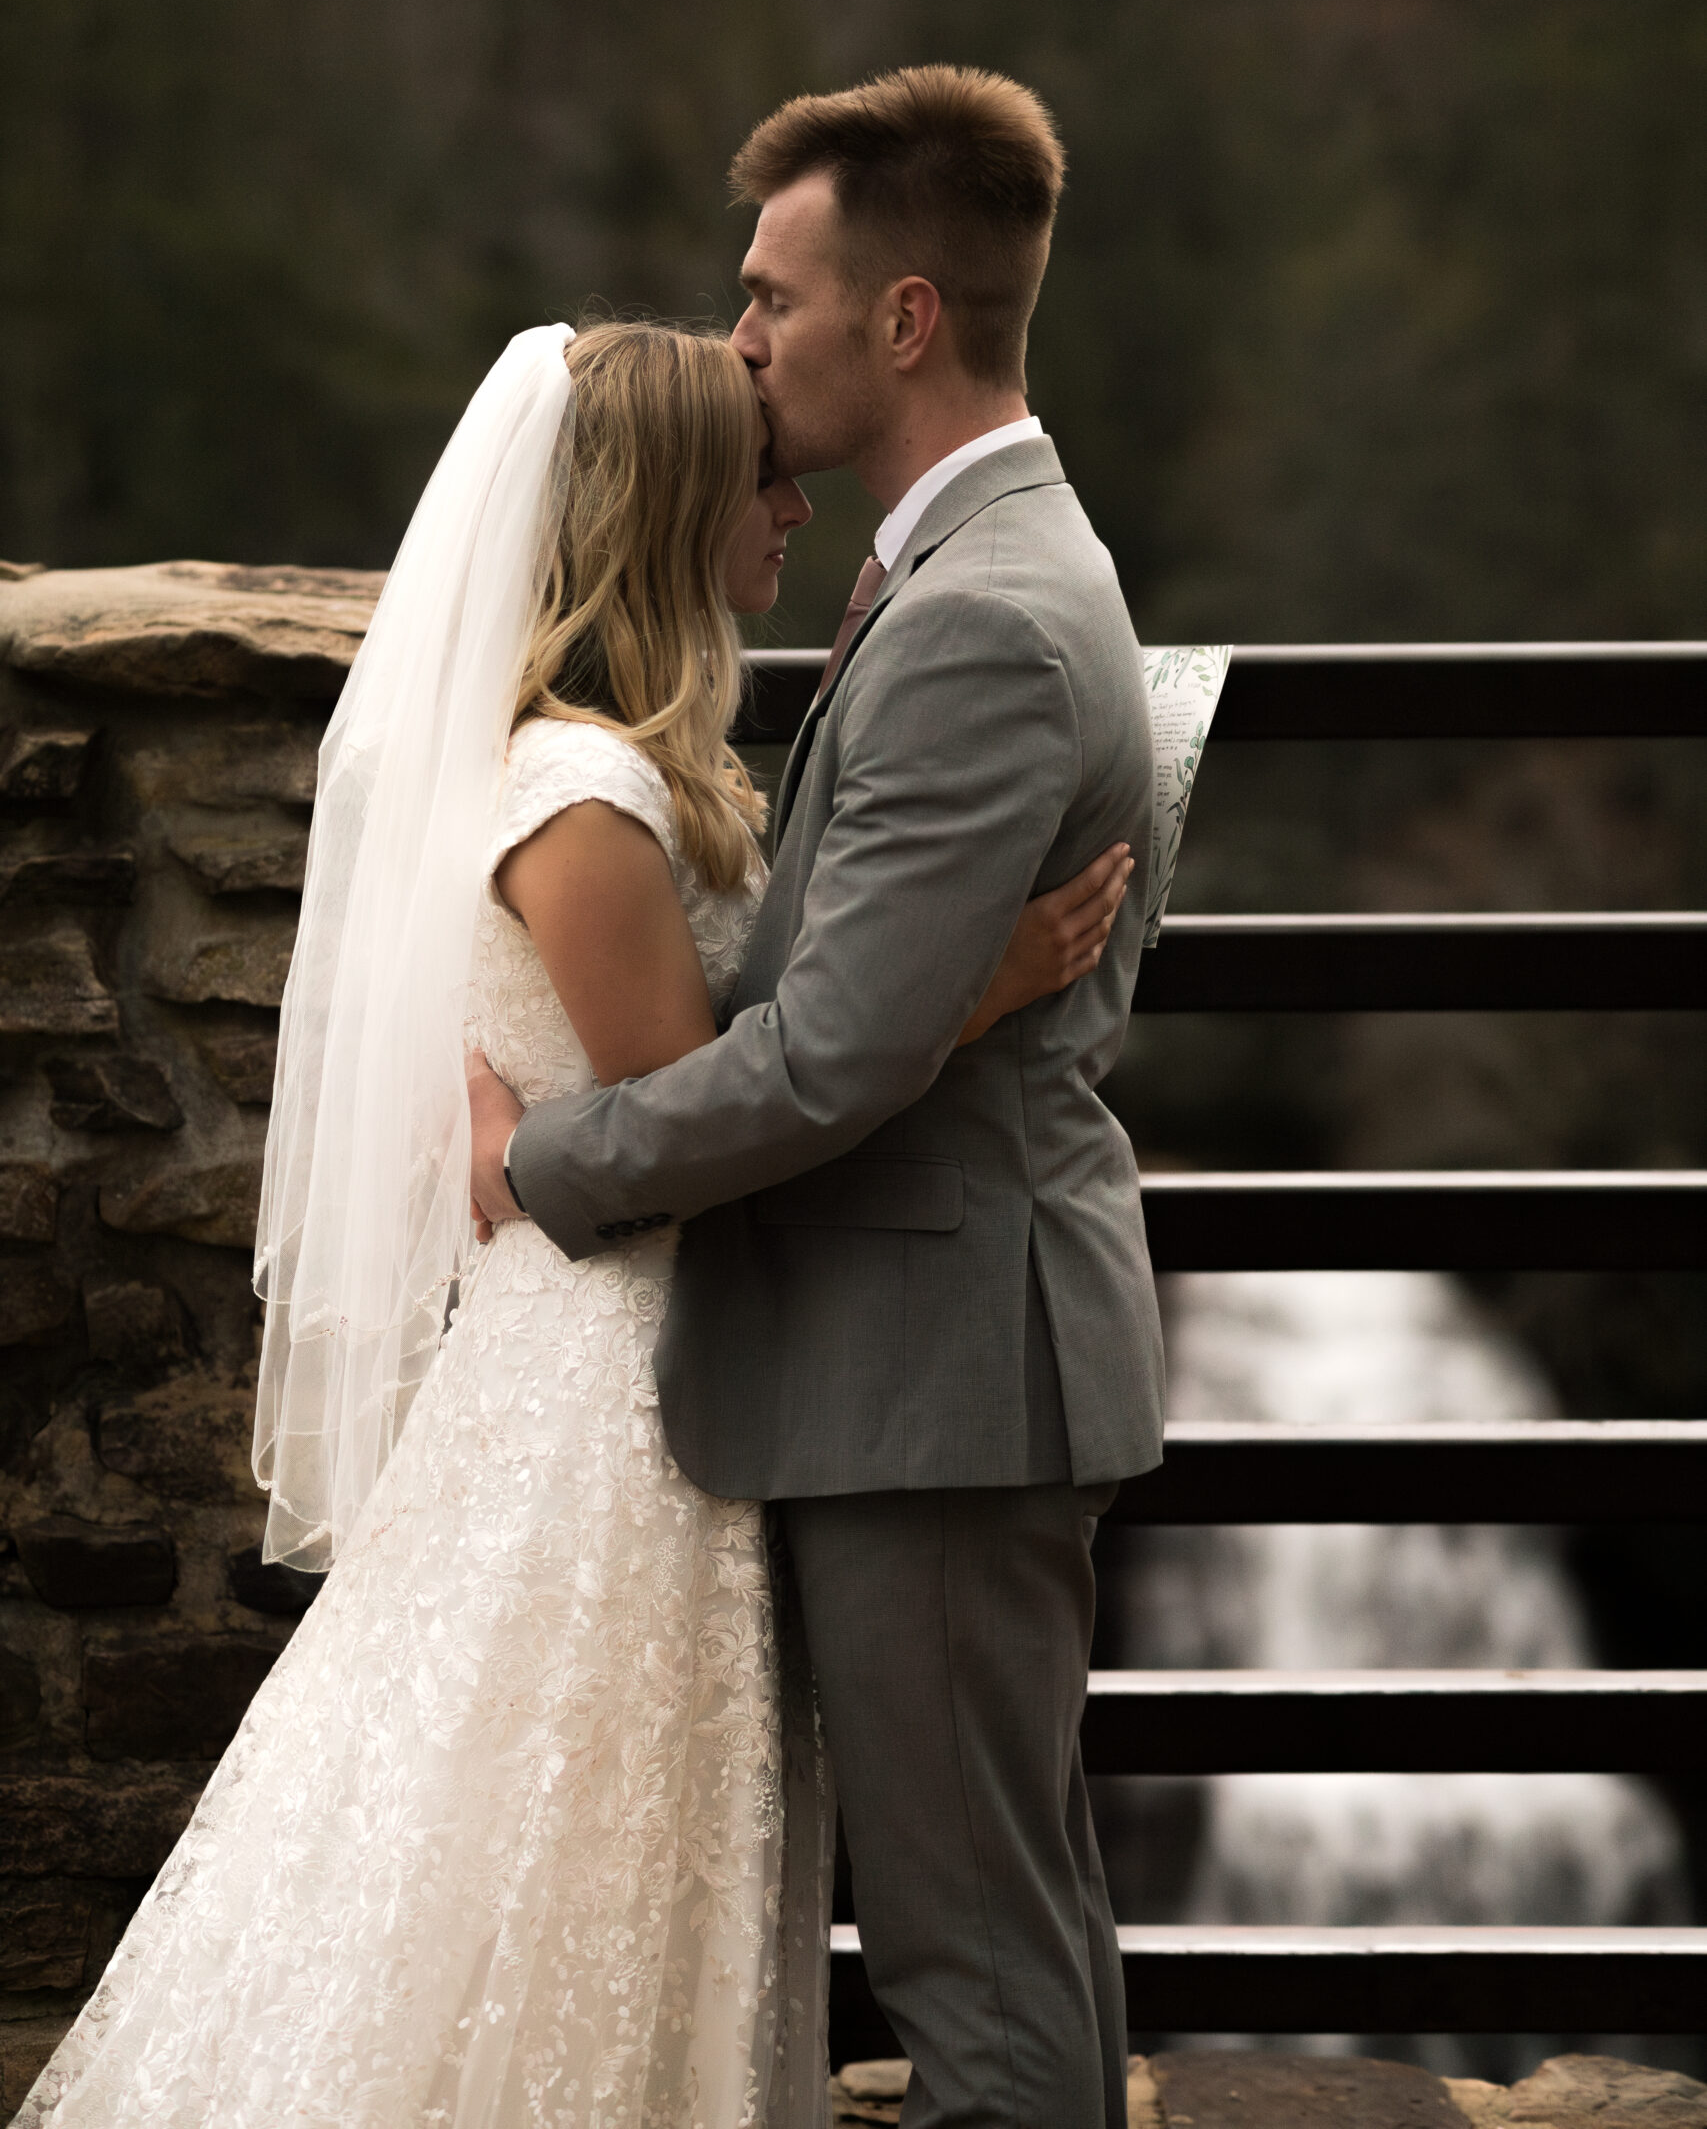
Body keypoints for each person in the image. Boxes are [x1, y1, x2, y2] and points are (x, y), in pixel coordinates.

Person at [18, 317, 1128, 2129]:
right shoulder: (587, 796)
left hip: (667, 1356)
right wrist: (968, 988)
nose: (792, 502)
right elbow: (710, 1116)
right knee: (568, 1856)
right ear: (674, 509)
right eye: (757, 476)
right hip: (616, 1394)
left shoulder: (636, 767)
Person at [470, 67, 1161, 2129]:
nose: (740, 335)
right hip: (930, 1349)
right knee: (1009, 1925)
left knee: (975, 1966)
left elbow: (833, 1048)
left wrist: (549, 1161)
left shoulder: (976, 619)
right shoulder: (971, 565)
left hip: (941, 1365)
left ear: (906, 317)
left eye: (770, 296)